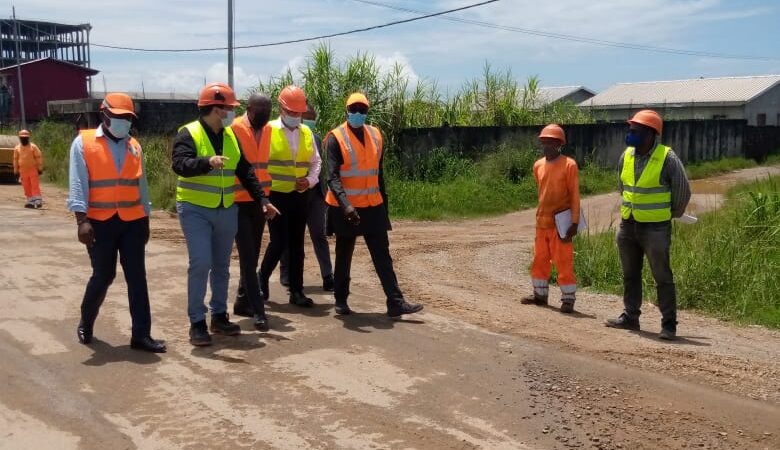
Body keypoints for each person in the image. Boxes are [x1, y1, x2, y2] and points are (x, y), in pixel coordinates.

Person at [172, 82, 279, 347]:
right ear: (216, 109)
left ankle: (218, 316)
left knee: (221, 266)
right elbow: (180, 165)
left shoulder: (230, 137)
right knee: (201, 263)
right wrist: (206, 162)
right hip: (195, 209)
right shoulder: (189, 133)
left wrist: (263, 201)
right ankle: (197, 321)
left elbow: (246, 172)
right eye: (228, 108)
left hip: (225, 209)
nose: (231, 112)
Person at [67, 92, 165, 353]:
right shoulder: (84, 142)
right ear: (104, 115)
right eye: (119, 118)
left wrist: (145, 218)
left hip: (132, 222)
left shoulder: (134, 145)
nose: (124, 123)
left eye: (128, 119)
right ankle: (86, 322)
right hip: (99, 222)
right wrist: (81, 220)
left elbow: (141, 185)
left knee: (137, 278)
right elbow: (78, 183)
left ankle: (141, 335)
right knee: (103, 275)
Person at [325, 92, 423, 318]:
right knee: (344, 254)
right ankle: (340, 300)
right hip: (346, 207)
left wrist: (384, 207)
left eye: (362, 110)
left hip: (373, 205)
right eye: (354, 109)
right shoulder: (335, 138)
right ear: (346, 111)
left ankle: (395, 302)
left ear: (367, 112)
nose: (358, 113)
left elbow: (379, 175)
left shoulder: (377, 135)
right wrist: (346, 205)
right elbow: (332, 177)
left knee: (382, 255)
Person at [605, 109, 691, 341]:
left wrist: (669, 213)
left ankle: (669, 325)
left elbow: (682, 192)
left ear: (651, 134)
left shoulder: (667, 158)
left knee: (662, 276)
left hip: (655, 228)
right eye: (630, 130)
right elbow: (623, 186)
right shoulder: (627, 155)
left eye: (636, 131)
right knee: (630, 274)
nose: (630, 134)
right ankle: (631, 316)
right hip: (628, 225)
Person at [257, 85, 321, 308]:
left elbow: (316, 162)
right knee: (279, 241)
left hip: (299, 195)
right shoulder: (268, 130)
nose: (295, 116)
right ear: (281, 109)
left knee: (297, 245)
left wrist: (310, 181)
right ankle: (261, 278)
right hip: (275, 195)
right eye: (291, 112)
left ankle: (296, 291)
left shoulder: (306, 133)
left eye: (298, 113)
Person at [520, 124, 581, 313]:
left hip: (560, 224)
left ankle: (568, 299)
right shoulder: (538, 165)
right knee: (540, 259)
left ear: (559, 144)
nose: (546, 146)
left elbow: (574, 196)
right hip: (542, 223)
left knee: (563, 261)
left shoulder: (569, 165)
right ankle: (540, 294)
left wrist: (574, 222)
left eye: (551, 142)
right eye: (544, 142)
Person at [280, 100, 335, 292]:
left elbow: (320, 167)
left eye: (313, 119)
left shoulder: (317, 138)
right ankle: (286, 273)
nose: (310, 122)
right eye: (307, 118)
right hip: (293, 194)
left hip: (315, 194)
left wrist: (323, 193)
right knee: (290, 237)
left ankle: (328, 275)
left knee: (319, 235)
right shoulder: (284, 136)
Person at [231, 93, 274, 331]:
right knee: (248, 256)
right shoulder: (235, 128)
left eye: (268, 112)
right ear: (249, 109)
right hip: (238, 200)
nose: (265, 117)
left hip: (260, 201)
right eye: (261, 112)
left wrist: (265, 199)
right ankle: (259, 311)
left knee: (253, 253)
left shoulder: (268, 130)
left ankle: (242, 300)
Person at [13, 129, 44, 208]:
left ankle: (37, 201)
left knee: (34, 185)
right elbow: (15, 160)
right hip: (22, 171)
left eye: (25, 138)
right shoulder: (17, 148)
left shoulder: (33, 147)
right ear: (20, 138)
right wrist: (16, 171)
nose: (24, 139)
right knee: (26, 186)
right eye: (22, 138)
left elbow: (38, 157)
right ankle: (30, 201)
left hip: (33, 169)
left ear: (28, 138)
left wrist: (40, 168)